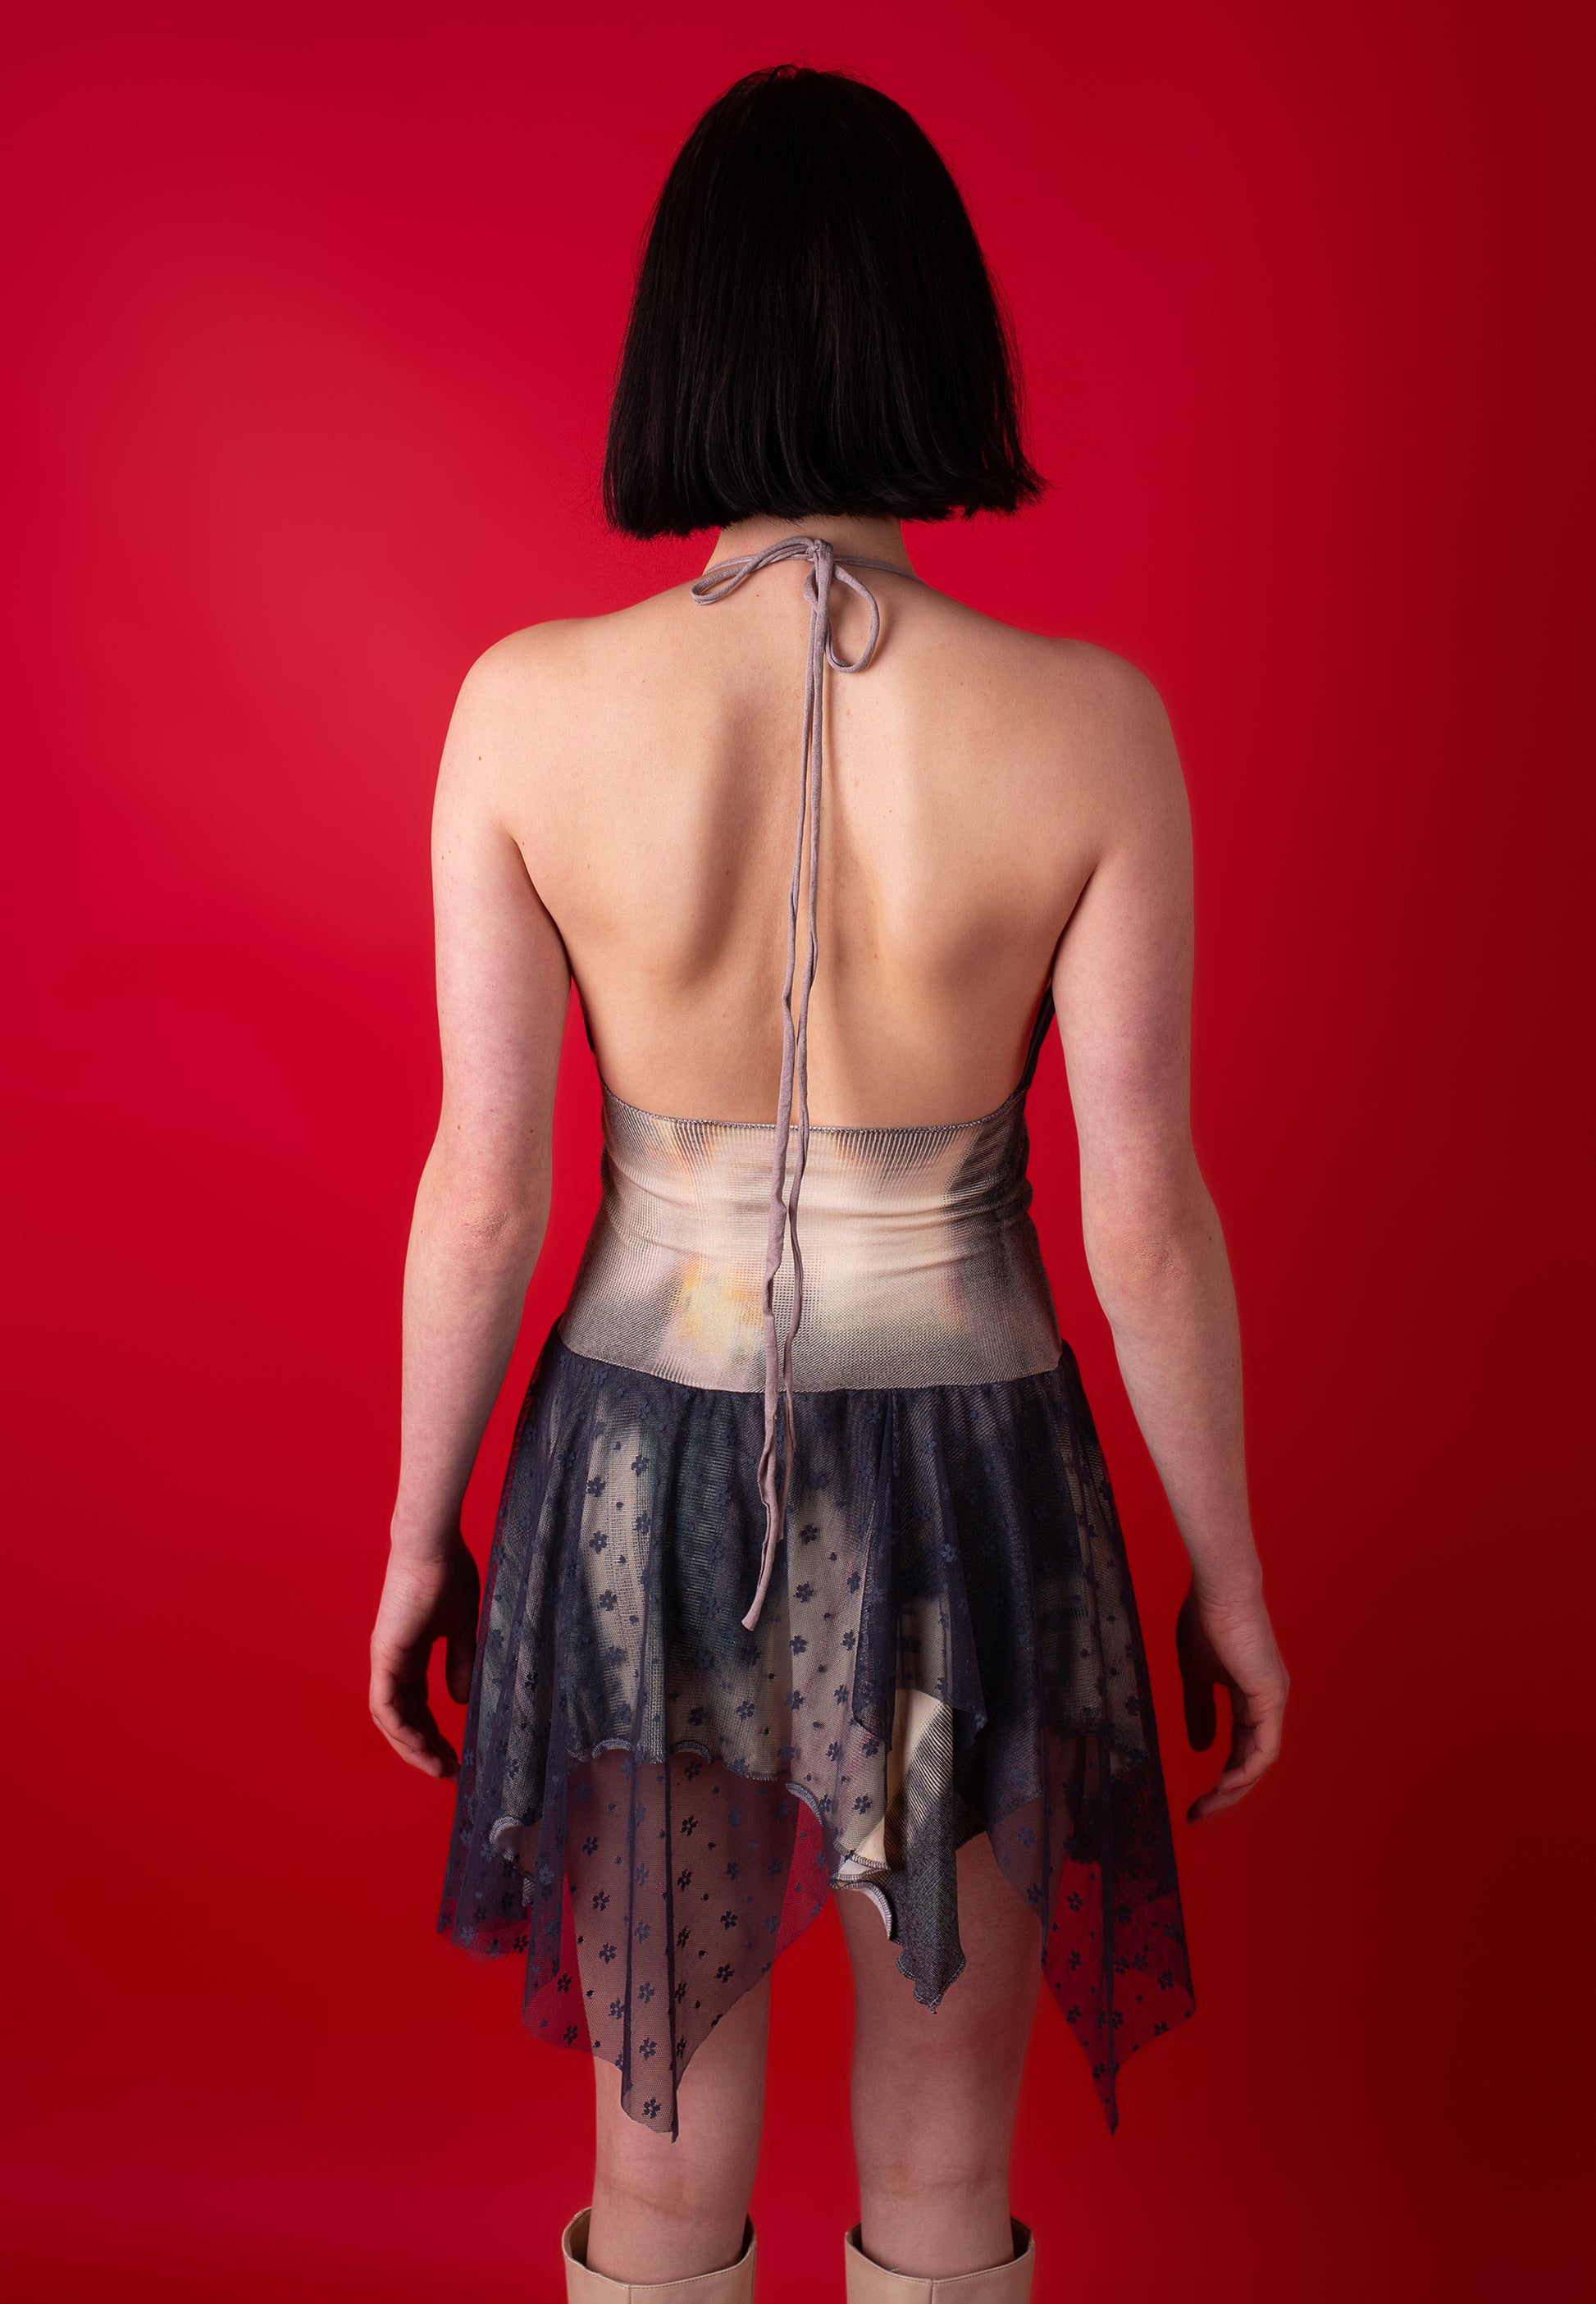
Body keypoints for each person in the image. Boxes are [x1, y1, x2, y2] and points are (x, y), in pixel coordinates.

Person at [369, 62, 1288, 2304]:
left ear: (678, 344)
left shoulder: (523, 708)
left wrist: (414, 1533)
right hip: (969, 1480)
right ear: (933, 335)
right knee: (943, 2166)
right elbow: (1142, 1217)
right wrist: (1230, 1571)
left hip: (639, 1473)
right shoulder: (1092, 727)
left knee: (659, 2160)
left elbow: (485, 1190)